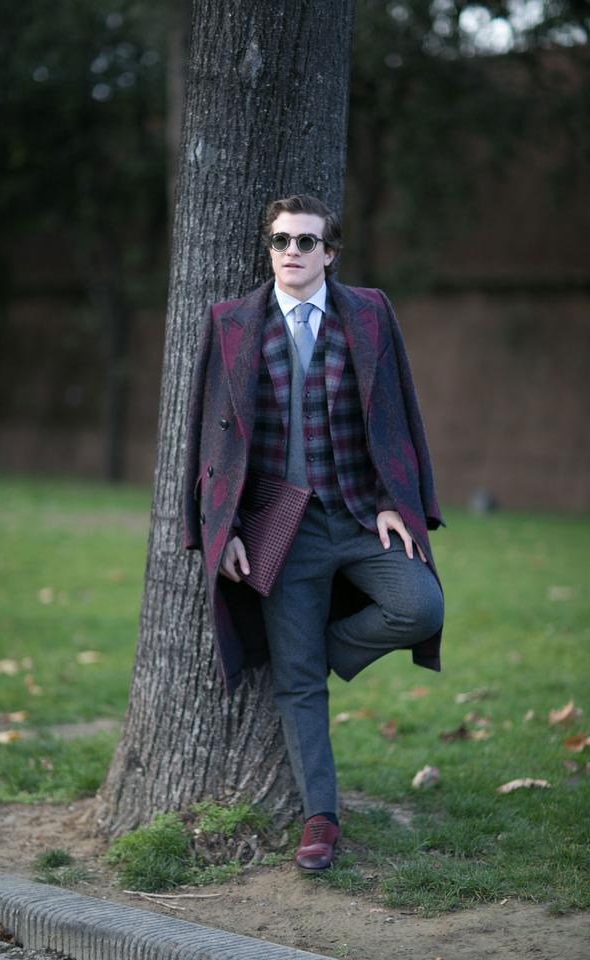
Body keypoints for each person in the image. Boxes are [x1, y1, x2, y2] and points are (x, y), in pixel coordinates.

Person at [183, 194, 444, 871]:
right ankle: (320, 819)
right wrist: (222, 528)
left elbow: (397, 413)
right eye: (280, 241)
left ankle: (309, 652)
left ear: (330, 252)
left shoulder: (369, 312)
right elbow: (210, 436)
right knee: (299, 689)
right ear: (269, 249)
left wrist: (392, 500)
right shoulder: (232, 321)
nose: (291, 251)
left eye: (306, 241)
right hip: (279, 529)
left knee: (420, 606)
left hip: (357, 514)